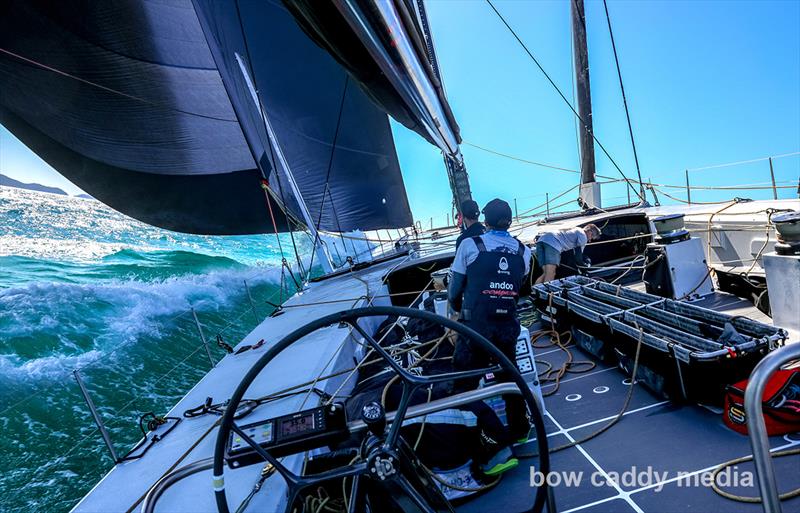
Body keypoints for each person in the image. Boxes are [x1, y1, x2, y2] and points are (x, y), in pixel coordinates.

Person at [447, 198, 532, 476]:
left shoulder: (470, 245)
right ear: (509, 221)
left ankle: (498, 450)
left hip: (476, 330)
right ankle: (521, 430)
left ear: (486, 219)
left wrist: (459, 312)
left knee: (463, 389)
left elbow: (454, 289)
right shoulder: (523, 251)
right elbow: (521, 284)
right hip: (507, 326)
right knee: (510, 377)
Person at [534, 224, 601, 284]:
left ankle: (534, 292)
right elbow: (578, 258)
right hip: (553, 243)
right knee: (551, 273)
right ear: (590, 232)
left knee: (545, 273)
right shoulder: (583, 235)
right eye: (591, 237)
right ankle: (546, 294)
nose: (589, 240)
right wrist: (585, 267)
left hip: (541, 240)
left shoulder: (576, 229)